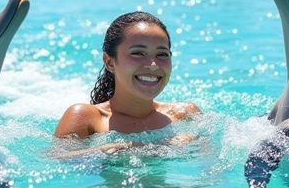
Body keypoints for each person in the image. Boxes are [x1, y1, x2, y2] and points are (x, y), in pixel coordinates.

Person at [54, 11, 200, 155]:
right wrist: (117, 149)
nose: (153, 65)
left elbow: (210, 171)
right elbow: (57, 159)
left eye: (162, 54)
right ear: (110, 62)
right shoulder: (87, 118)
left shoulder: (185, 115)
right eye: (138, 53)